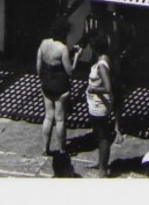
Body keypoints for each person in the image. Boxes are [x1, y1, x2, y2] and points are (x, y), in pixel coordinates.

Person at [37, 18, 79, 158]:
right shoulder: (62, 48)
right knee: (60, 119)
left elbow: (38, 66)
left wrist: (42, 79)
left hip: (47, 82)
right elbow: (69, 71)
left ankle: (45, 148)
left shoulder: (44, 43)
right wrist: (77, 57)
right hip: (61, 85)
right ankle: (62, 149)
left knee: (48, 117)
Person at [84, 33, 118, 177]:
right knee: (99, 135)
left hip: (99, 106)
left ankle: (103, 170)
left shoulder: (102, 65)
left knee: (103, 137)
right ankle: (101, 163)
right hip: (95, 104)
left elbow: (108, 88)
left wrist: (94, 89)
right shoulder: (103, 59)